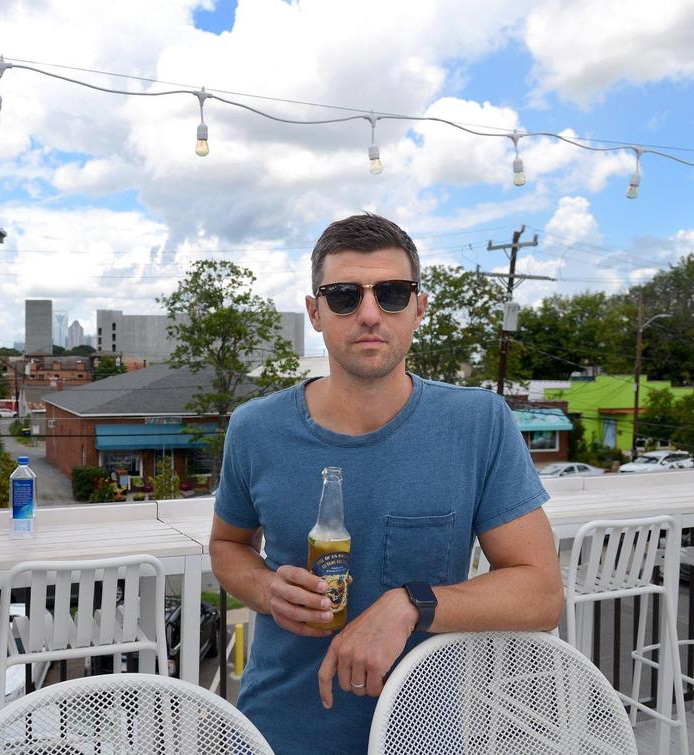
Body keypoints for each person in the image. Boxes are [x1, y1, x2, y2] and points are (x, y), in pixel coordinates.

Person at [211, 213, 563, 754]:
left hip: (427, 734)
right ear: (315, 312)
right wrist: (266, 591)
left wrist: (410, 604)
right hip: (280, 731)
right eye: (345, 296)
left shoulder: (478, 423)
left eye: (393, 293)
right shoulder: (256, 428)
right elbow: (228, 545)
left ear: (419, 308)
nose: (370, 314)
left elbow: (540, 593)